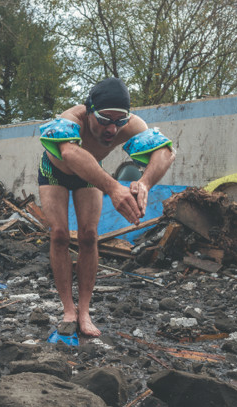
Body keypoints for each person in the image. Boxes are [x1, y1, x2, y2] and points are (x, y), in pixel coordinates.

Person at [38, 77, 176, 337]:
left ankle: (84, 311)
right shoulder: (73, 118)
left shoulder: (131, 124)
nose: (112, 129)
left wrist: (145, 183)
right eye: (104, 120)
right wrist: (113, 188)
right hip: (54, 172)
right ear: (90, 110)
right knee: (59, 235)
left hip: (89, 174)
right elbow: (68, 153)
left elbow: (166, 151)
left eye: (119, 121)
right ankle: (68, 309)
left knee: (89, 237)